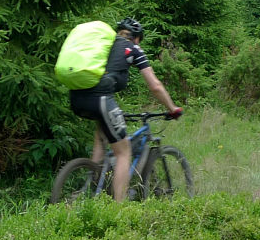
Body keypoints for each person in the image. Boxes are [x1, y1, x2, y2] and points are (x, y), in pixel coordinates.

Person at [68, 18, 183, 202]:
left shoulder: (105, 46)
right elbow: (155, 86)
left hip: (76, 96)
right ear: (136, 38)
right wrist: (172, 108)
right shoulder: (133, 48)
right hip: (101, 98)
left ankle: (90, 191)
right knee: (123, 151)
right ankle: (118, 208)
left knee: (101, 137)